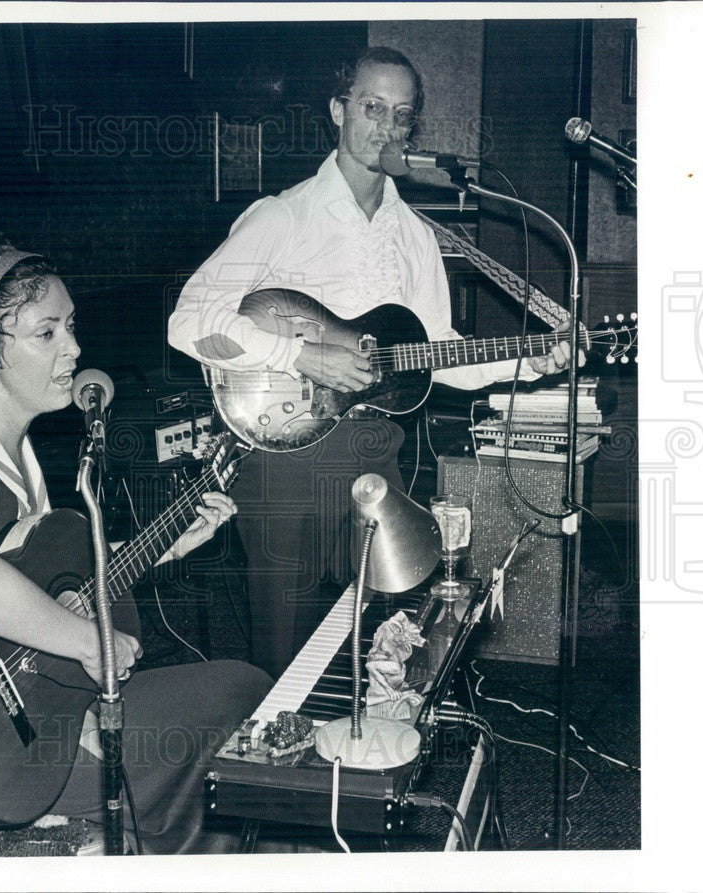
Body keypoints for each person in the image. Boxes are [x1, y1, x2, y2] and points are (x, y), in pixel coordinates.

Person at [168, 46, 582, 679]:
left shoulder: (417, 234)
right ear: (338, 111)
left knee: (379, 648)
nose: (387, 127)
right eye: (371, 108)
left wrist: (533, 359)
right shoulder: (284, 216)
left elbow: (436, 352)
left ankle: (362, 775)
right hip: (288, 458)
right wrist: (301, 354)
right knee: (284, 659)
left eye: (402, 115)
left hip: (378, 455)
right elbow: (189, 319)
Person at [0, 245, 271, 854]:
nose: (75, 349)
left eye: (71, 325)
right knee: (239, 713)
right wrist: (90, 641)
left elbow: (30, 577)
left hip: (40, 711)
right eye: (46, 332)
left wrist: (164, 546)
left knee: (241, 688)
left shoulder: (9, 444)